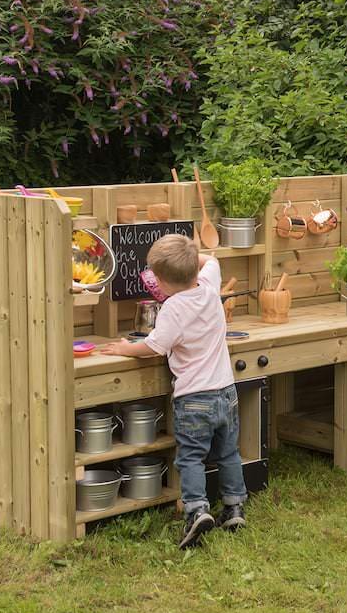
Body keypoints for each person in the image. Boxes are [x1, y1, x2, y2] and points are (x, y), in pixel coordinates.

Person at [101, 234, 247, 549]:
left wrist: (126, 348)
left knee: (191, 457)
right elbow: (213, 260)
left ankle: (196, 511)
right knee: (228, 453)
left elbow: (155, 346)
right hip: (226, 391)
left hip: (195, 399)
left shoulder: (172, 309)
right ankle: (234, 507)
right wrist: (192, 254)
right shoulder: (209, 287)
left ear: (162, 282)